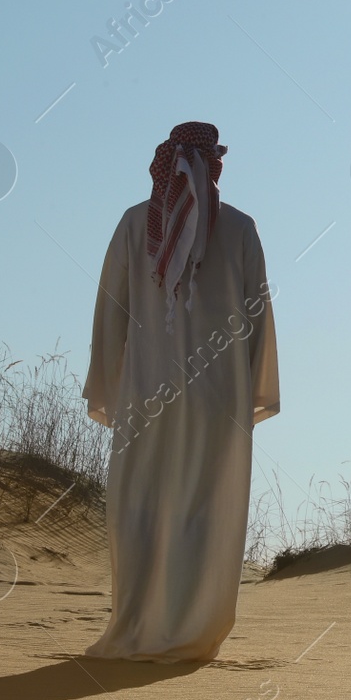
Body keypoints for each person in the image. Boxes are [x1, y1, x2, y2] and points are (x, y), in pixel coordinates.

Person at [80, 121, 280, 661]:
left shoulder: (135, 226)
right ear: (214, 163)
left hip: (147, 394)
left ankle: (146, 625)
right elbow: (259, 320)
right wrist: (254, 389)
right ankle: (190, 631)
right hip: (218, 398)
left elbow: (108, 318)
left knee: (143, 504)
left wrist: (108, 384)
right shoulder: (236, 228)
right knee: (196, 510)